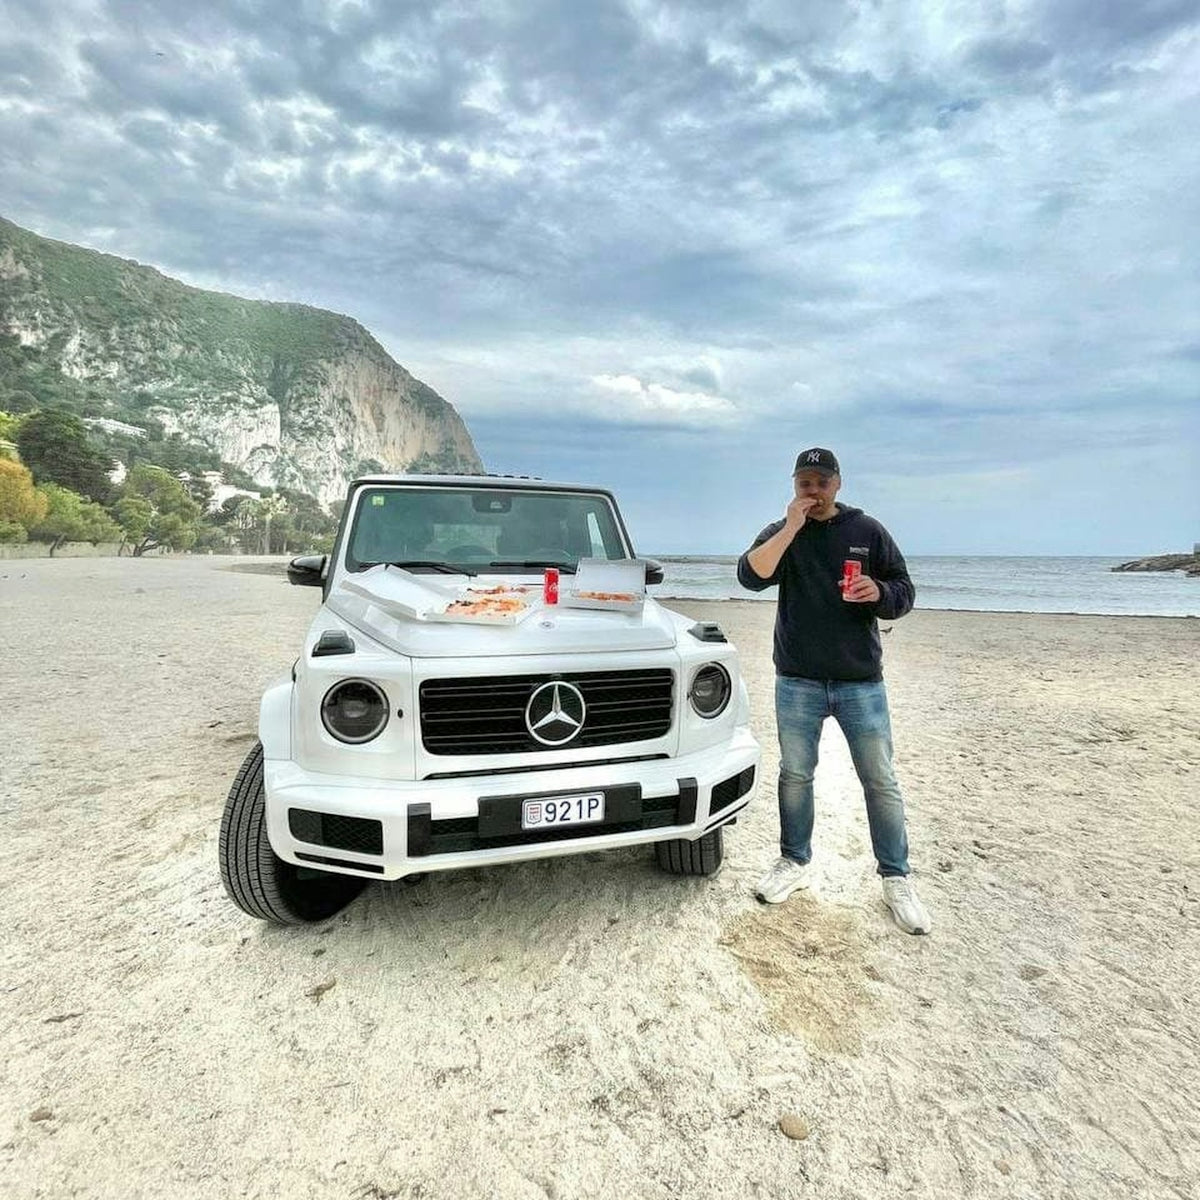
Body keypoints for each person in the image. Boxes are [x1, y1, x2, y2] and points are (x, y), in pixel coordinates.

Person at [736, 447, 931, 934]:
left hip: (859, 680)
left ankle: (896, 878)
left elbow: (904, 589)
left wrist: (880, 593)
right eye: (805, 482)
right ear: (795, 486)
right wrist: (789, 529)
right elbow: (750, 576)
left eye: (822, 482)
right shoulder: (783, 532)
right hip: (797, 678)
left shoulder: (867, 531)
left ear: (838, 484)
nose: (814, 491)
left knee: (880, 780)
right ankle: (793, 863)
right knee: (796, 775)